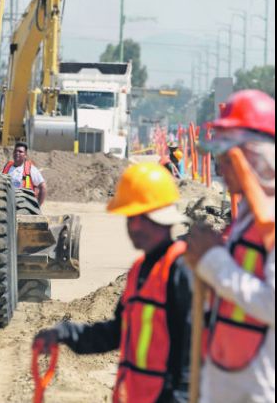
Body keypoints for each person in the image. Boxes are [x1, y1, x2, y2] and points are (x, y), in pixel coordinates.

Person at [33, 162, 194, 403]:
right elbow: (117, 333)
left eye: (141, 217)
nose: (133, 226)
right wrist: (65, 333)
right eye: (130, 218)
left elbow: (195, 359)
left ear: (162, 218)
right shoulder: (140, 271)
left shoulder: (182, 271)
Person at [184, 90, 275, 403]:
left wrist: (213, 261)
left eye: (227, 153)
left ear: (253, 155)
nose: (220, 164)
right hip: (226, 382)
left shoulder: (271, 221)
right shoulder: (249, 217)